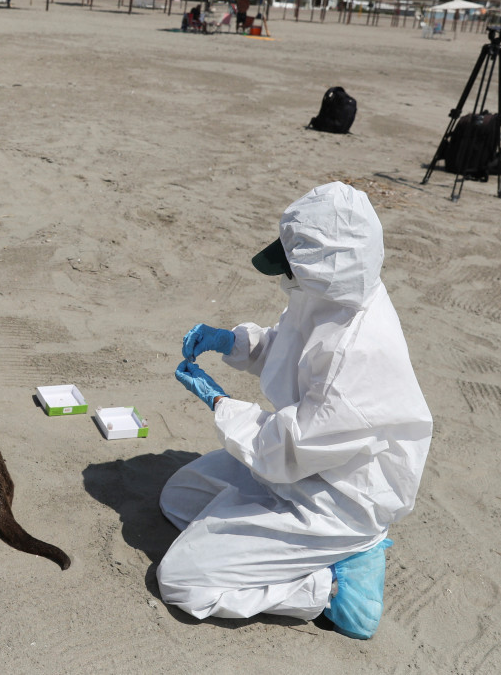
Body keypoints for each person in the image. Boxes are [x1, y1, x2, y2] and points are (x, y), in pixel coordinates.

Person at [160, 182, 433, 639]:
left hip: (340, 499)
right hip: (308, 466)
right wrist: (234, 341)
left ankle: (331, 586)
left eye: (291, 264)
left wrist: (220, 403)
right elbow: (292, 352)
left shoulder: (360, 352)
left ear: (319, 265)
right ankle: (266, 539)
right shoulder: (333, 291)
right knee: (178, 497)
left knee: (183, 581)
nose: (287, 274)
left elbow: (288, 446)